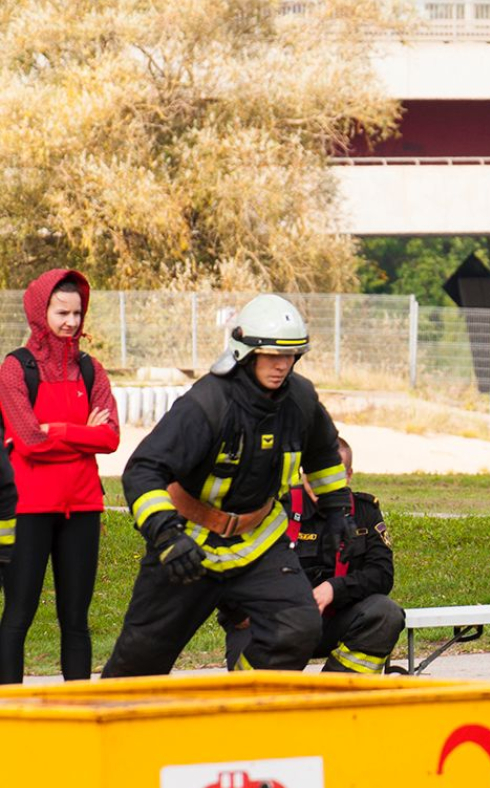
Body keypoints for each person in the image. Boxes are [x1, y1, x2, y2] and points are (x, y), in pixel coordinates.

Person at [102, 295, 349, 677]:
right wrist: (167, 537)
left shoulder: (300, 400)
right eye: (271, 355)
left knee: (296, 629)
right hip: (188, 545)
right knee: (140, 662)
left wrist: (336, 513)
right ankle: (108, 729)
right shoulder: (207, 403)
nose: (282, 365)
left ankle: (241, 707)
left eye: (291, 355)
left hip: (259, 543)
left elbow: (323, 455)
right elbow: (143, 470)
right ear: (245, 352)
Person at [0, 270, 119, 683]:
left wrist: (63, 431)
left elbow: (112, 437)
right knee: (17, 616)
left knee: (76, 620)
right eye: (62, 312)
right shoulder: (16, 369)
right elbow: (29, 441)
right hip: (29, 508)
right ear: (40, 310)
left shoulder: (92, 369)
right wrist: (85, 435)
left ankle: (80, 709)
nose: (71, 321)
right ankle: (8, 714)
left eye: (77, 313)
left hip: (83, 507)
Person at [224, 437, 404, 673]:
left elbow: (381, 574)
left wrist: (334, 589)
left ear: (349, 475)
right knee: (255, 698)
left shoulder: (365, 512)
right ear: (302, 473)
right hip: (274, 624)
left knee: (385, 613)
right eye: (316, 475)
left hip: (333, 621)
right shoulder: (276, 509)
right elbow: (233, 567)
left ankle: (334, 697)